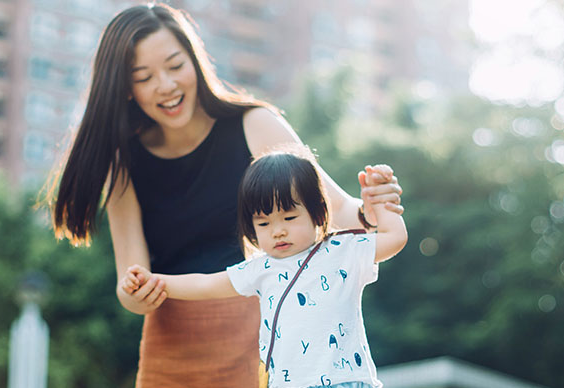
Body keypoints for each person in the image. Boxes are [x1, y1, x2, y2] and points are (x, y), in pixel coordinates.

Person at [44, 3, 405, 387]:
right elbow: (130, 281)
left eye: (175, 65)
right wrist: (136, 293)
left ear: (196, 62)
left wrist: (371, 208)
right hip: (169, 337)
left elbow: (335, 208)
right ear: (125, 89)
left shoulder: (254, 125)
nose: (165, 85)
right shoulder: (124, 163)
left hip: (254, 330)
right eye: (143, 76)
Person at [122, 148, 407, 388]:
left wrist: (381, 200)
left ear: (318, 212)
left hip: (344, 380)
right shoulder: (259, 269)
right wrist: (154, 280)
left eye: (290, 217)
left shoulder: (343, 251)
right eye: (263, 222)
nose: (278, 231)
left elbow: (394, 238)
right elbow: (205, 284)